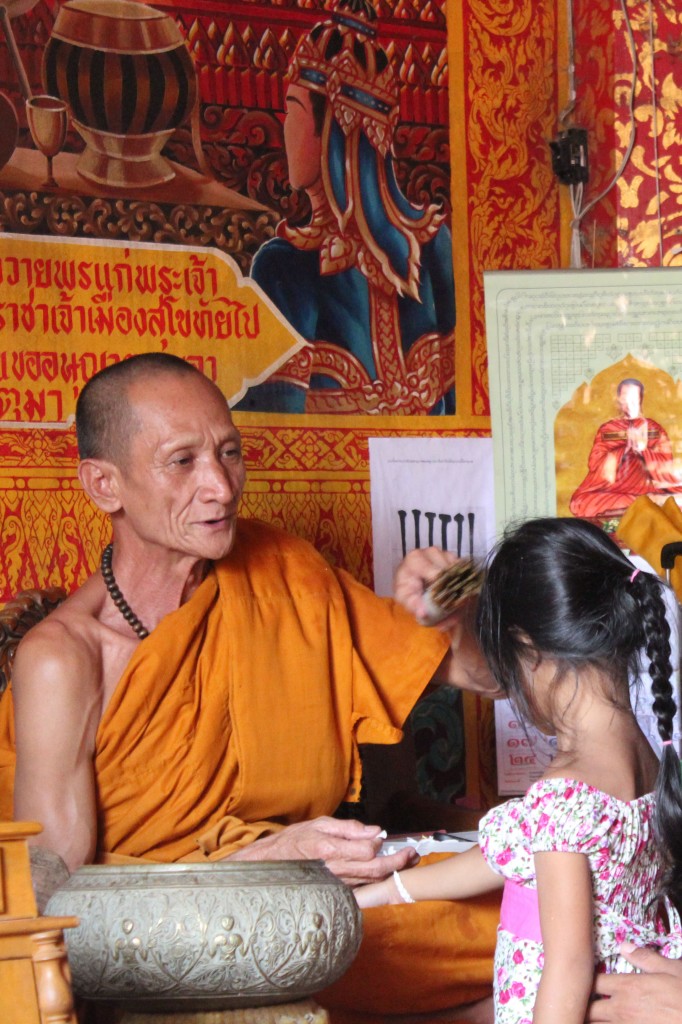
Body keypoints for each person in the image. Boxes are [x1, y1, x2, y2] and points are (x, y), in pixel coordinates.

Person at [0, 352, 500, 1021]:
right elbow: (54, 907)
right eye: (183, 461)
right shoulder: (65, 659)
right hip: (175, 929)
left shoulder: (282, 572)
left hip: (323, 893)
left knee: (543, 895)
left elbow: (489, 677)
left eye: (229, 452)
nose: (221, 485)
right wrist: (258, 863)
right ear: (103, 485)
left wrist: (452, 609)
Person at [356, 516, 682, 1024]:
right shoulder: (651, 757)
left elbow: (569, 966)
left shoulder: (564, 794)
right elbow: (513, 854)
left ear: (527, 651)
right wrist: (385, 893)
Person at [235, 0, 456, 415]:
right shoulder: (431, 243)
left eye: (292, 110)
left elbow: (271, 435)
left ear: (336, 130)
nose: (284, 126)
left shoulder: (286, 267)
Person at [569, 378, 682, 520]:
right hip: (614, 490)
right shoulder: (608, 429)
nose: (629, 406)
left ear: (641, 400)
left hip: (649, 487)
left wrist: (643, 450)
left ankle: (649, 500)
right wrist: (624, 450)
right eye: (625, 401)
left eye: (633, 401)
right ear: (619, 401)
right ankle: (651, 501)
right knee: (579, 503)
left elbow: (667, 466)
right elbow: (595, 463)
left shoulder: (654, 429)